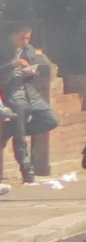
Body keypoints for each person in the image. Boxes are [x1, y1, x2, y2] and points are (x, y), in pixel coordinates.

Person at [5, 24, 58, 181]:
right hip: (12, 93)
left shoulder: (29, 50)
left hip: (29, 92)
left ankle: (10, 130)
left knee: (51, 120)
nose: (25, 41)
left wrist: (32, 72)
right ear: (12, 36)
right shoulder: (3, 49)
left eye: (28, 38)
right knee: (21, 139)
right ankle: (28, 172)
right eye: (22, 38)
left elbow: (34, 71)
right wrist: (12, 65)